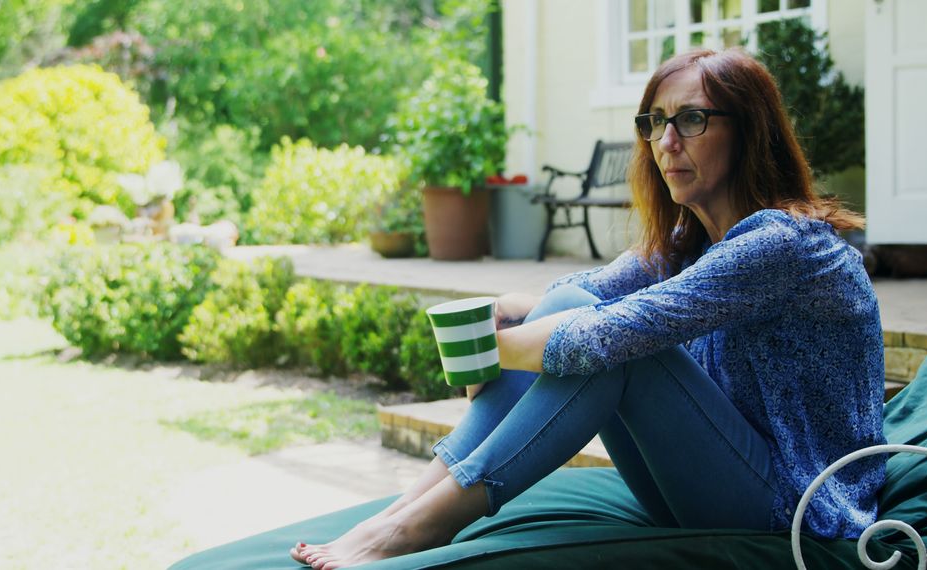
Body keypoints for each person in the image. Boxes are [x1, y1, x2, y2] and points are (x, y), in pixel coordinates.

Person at [291, 47, 886, 570]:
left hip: (801, 511)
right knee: (575, 310)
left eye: (692, 120)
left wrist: (490, 352)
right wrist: (514, 316)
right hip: (715, 487)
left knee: (616, 346)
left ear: (750, 131)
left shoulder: (783, 245)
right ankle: (408, 507)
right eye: (655, 123)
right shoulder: (691, 245)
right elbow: (582, 295)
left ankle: (422, 524)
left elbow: (601, 339)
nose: (666, 143)